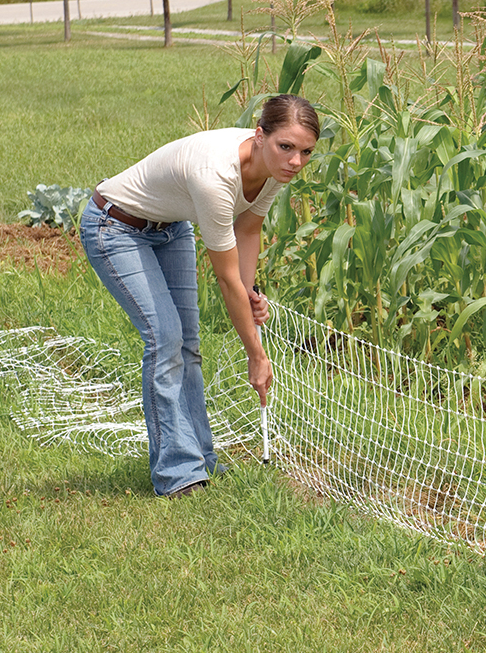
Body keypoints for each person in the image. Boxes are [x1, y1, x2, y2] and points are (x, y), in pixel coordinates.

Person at [79, 94, 320, 498]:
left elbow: (247, 230)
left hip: (170, 228)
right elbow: (225, 280)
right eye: (287, 147)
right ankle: (178, 475)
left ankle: (200, 460)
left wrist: (251, 288)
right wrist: (256, 355)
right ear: (260, 135)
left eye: (306, 152)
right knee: (166, 340)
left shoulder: (272, 171)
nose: (295, 161)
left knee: (188, 346)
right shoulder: (216, 175)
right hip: (115, 227)